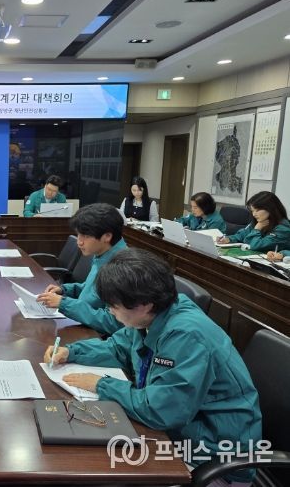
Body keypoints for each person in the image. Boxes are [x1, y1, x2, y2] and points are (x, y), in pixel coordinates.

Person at [45, 249, 261, 486]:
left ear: (144, 304)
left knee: (93, 467)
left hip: (213, 457)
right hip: (179, 432)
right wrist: (72, 352)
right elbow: (118, 347)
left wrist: (101, 384)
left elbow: (162, 411)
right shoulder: (152, 315)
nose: (110, 311)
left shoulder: (186, 336)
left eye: (114, 306)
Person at [36, 203, 126, 335]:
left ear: (107, 236)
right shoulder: (102, 254)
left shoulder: (122, 268)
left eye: (86, 236)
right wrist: (64, 290)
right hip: (85, 324)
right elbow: (90, 289)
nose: (79, 242)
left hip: (100, 337)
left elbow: (113, 323)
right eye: (78, 234)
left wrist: (64, 304)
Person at [217, 191, 290, 252]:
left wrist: (257, 229)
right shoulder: (260, 221)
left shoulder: (283, 228)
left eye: (257, 210)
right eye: (252, 211)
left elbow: (256, 246)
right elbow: (242, 234)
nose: (254, 214)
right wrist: (228, 239)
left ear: (271, 209)